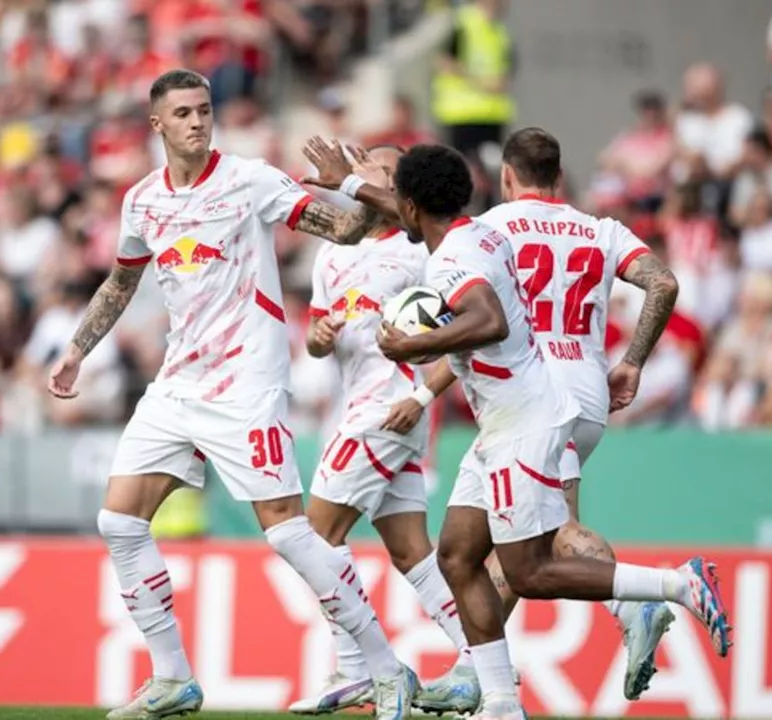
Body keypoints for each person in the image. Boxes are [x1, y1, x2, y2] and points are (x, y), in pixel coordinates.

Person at [302, 140, 732, 720]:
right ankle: (500, 702)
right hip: (526, 411)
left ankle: (678, 585)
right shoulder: (477, 233)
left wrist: (413, 342)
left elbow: (488, 319)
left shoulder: (457, 255)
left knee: (530, 570)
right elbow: (410, 206)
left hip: (525, 420)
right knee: (456, 556)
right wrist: (350, 185)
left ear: (408, 207)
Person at [47, 69, 419, 720]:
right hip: (178, 380)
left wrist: (352, 190)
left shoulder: (250, 179)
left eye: (204, 109)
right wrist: (78, 350)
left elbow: (344, 231)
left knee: (287, 535)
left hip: (247, 382)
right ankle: (172, 677)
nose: (197, 121)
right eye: (183, 113)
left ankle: (385, 668)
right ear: (157, 124)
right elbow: (119, 284)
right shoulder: (142, 202)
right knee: (119, 521)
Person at [465, 127, 683, 701]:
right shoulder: (600, 230)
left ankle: (633, 602)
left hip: (536, 396)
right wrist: (632, 362)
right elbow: (662, 282)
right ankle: (474, 673)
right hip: (586, 390)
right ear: (559, 177)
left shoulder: (490, 228)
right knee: (509, 544)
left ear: (508, 177)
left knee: (554, 531)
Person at [288, 144, 478, 716]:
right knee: (412, 552)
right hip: (355, 411)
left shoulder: (422, 254)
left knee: (312, 536)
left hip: (391, 411)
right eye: (367, 165)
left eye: (380, 171)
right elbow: (324, 337)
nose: (365, 174)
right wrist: (318, 340)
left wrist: (423, 396)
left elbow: (469, 335)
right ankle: (483, 659)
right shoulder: (332, 258)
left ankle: (364, 668)